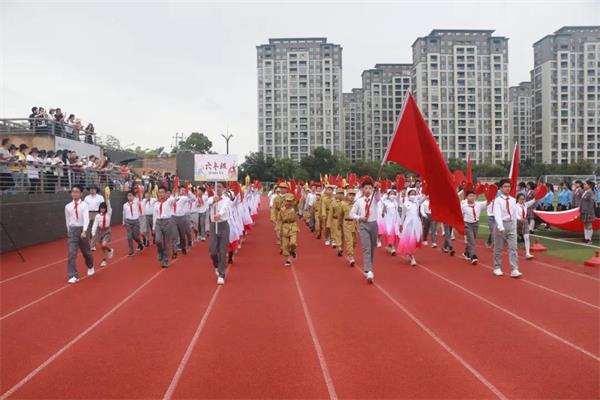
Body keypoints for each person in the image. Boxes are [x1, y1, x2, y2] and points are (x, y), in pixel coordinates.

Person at [350, 179, 379, 283]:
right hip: (364, 226)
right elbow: (351, 214)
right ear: (362, 189)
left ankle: (368, 267)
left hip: (374, 224)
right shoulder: (359, 201)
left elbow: (378, 197)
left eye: (370, 188)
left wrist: (377, 189)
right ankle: (369, 270)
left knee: (372, 248)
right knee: (366, 248)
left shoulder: (374, 199)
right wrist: (360, 218)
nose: (368, 190)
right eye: (366, 188)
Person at [64, 184, 95, 283]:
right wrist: (69, 231)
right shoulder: (68, 206)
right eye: (73, 192)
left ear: (81, 194)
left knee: (86, 252)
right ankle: (73, 275)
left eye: (77, 192)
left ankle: (90, 266)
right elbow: (67, 220)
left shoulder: (84, 205)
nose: (75, 193)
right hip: (73, 230)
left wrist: (85, 230)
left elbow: (86, 218)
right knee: (71, 253)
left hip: (82, 229)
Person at [492, 179, 522, 278]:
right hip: (501, 225)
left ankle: (514, 269)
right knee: (498, 248)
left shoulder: (513, 200)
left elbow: (514, 214)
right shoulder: (497, 200)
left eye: (509, 186)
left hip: (511, 225)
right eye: (505, 186)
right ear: (501, 188)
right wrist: (500, 227)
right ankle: (497, 267)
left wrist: (515, 225)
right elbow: (497, 214)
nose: (507, 188)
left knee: (513, 248)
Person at [208, 182, 231, 285]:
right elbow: (207, 204)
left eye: (220, 187)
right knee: (213, 251)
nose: (218, 189)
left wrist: (219, 214)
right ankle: (217, 265)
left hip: (223, 225)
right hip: (213, 226)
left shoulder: (226, 199)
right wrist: (213, 200)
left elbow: (224, 208)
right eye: (216, 187)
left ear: (224, 189)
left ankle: (221, 274)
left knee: (222, 251)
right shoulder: (210, 198)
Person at [153, 186, 177, 268]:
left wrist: (175, 191)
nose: (161, 194)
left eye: (163, 192)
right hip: (158, 222)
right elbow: (155, 215)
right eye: (160, 192)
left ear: (166, 193)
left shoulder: (169, 201)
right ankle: (160, 252)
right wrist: (153, 227)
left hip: (167, 222)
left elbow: (175, 199)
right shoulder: (156, 203)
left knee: (167, 243)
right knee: (158, 240)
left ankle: (165, 261)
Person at [397, 189, 423, 266]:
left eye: (414, 194)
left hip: (416, 224)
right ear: (408, 195)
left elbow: (424, 197)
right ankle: (412, 257)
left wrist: (428, 189)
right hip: (408, 224)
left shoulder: (417, 203)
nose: (413, 195)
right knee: (410, 240)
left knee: (415, 240)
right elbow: (403, 215)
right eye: (411, 194)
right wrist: (401, 224)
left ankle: (410, 253)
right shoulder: (405, 204)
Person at [461, 191, 487, 264]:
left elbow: (488, 202)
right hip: (467, 224)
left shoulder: (479, 204)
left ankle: (466, 252)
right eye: (470, 196)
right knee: (472, 241)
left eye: (473, 196)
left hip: (476, 224)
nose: (472, 197)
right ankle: (473, 256)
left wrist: (491, 196)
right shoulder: (463, 206)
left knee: (472, 240)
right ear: (466, 198)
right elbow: (459, 215)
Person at [91, 199, 114, 267]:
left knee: (104, 245)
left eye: (103, 208)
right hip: (100, 231)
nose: (102, 209)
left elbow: (109, 207)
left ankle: (110, 250)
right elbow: (95, 224)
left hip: (107, 231)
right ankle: (104, 260)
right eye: (101, 208)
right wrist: (93, 233)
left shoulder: (108, 214)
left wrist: (107, 199)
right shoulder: (98, 216)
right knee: (102, 247)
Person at [516, 193, 537, 259]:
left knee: (527, 237)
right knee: (514, 238)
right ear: (517, 199)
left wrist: (536, 197)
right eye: (521, 199)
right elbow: (515, 214)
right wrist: (519, 218)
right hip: (517, 222)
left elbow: (533, 201)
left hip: (524, 222)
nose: (522, 200)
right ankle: (514, 251)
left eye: (523, 199)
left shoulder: (525, 204)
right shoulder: (515, 206)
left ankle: (527, 253)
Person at [122, 191, 144, 256]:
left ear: (133, 196)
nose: (130, 197)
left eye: (131, 195)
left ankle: (140, 243)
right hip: (128, 221)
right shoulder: (125, 205)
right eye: (128, 196)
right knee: (129, 237)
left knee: (136, 236)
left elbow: (140, 199)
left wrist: (139, 191)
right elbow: (124, 213)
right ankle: (131, 250)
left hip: (135, 221)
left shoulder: (136, 202)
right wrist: (123, 221)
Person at [379, 189, 401, 255]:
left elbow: (399, 196)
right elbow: (383, 211)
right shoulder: (385, 202)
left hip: (395, 220)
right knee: (390, 234)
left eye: (393, 194)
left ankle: (391, 247)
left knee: (395, 234)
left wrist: (399, 191)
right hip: (388, 221)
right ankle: (392, 247)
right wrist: (383, 213)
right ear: (388, 195)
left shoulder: (396, 202)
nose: (392, 195)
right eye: (391, 194)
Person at [279, 193, 298, 267]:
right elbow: (279, 219)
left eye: (290, 201)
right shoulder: (282, 210)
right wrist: (278, 228)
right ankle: (288, 260)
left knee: (293, 242)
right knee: (285, 245)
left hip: (293, 226)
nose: (289, 202)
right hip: (284, 227)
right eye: (287, 201)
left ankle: (292, 250)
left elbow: (298, 203)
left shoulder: (294, 208)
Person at [172, 186, 192, 255]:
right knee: (174, 235)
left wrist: (189, 192)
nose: (183, 191)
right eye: (182, 190)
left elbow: (191, 199)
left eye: (184, 190)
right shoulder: (173, 197)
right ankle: (174, 251)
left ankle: (183, 246)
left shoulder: (184, 198)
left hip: (182, 218)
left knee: (182, 235)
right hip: (173, 217)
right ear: (179, 191)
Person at [341, 189, 358, 266]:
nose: (351, 196)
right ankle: (350, 256)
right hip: (347, 223)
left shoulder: (356, 204)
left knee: (354, 241)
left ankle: (350, 252)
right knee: (349, 241)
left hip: (355, 224)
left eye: (353, 195)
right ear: (347, 196)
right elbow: (340, 215)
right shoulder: (343, 204)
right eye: (350, 195)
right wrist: (339, 223)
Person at [84, 185, 104, 250]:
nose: (92, 190)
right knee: (87, 229)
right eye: (91, 189)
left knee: (94, 229)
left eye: (93, 189)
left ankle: (92, 245)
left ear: (96, 190)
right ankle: (89, 243)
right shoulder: (87, 198)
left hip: (97, 213)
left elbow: (103, 206)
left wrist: (102, 214)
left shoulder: (100, 197)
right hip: (88, 213)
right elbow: (84, 206)